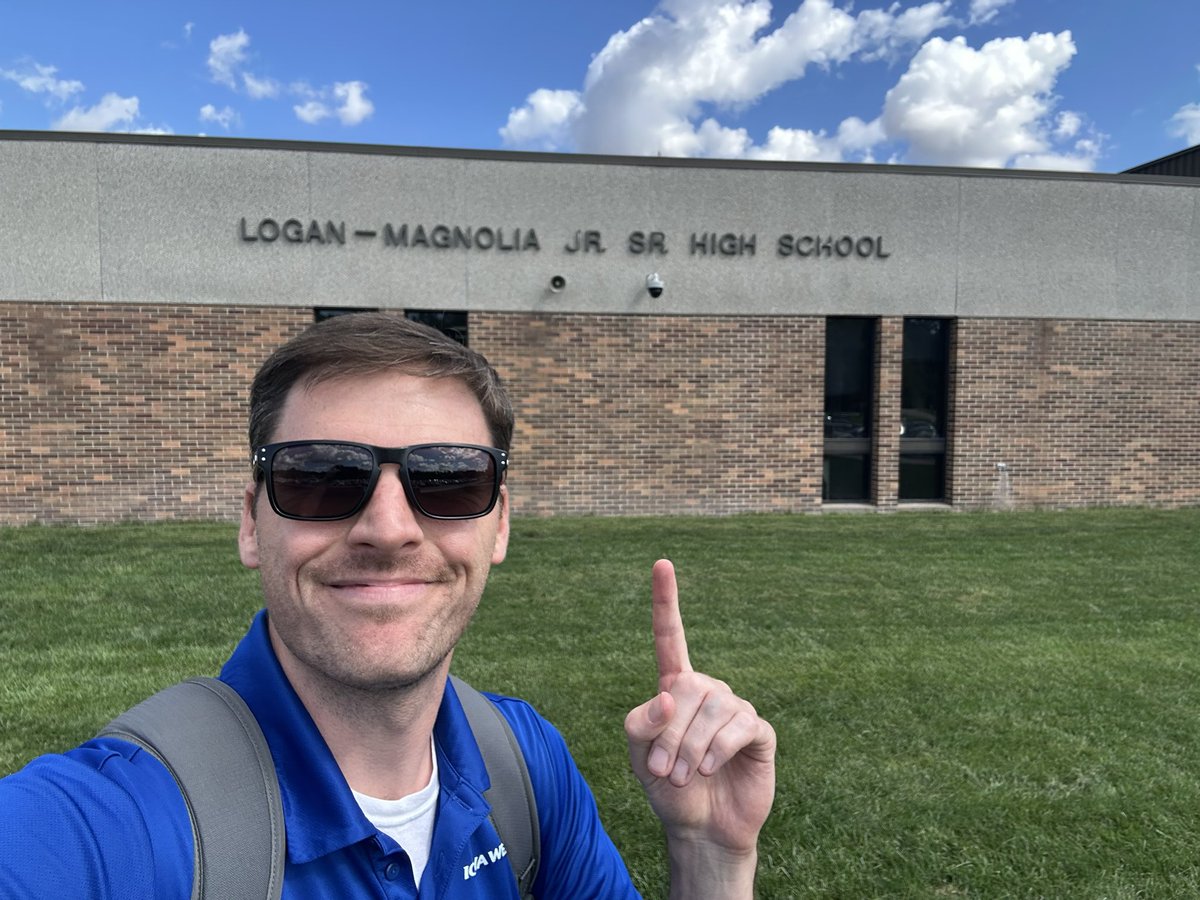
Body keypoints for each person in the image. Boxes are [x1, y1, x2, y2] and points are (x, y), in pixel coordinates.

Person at [0, 312, 776, 898]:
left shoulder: (526, 765)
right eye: (322, 476)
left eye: (448, 480)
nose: (388, 528)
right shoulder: (117, 822)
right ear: (250, 522)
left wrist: (711, 858)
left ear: (499, 524)